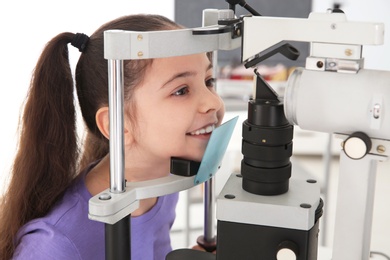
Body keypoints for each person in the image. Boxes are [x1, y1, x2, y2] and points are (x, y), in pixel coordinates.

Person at [0, 14, 224, 260]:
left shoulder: (165, 182)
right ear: (119, 125)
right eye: (181, 91)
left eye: (209, 81)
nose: (213, 103)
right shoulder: (55, 245)